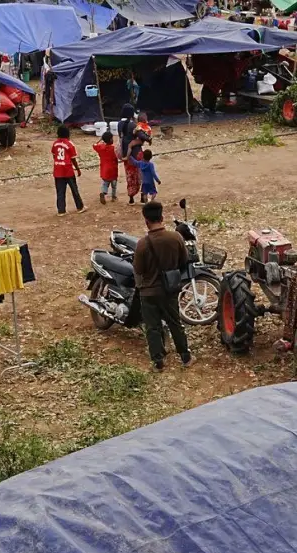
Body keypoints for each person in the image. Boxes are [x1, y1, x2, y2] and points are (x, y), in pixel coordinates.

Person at [132, 201, 193, 371]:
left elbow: (138, 269)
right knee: (175, 323)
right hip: (169, 290)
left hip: (148, 293)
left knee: (152, 327)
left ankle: (158, 363)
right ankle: (185, 357)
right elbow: (184, 261)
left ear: (146, 221)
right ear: (162, 217)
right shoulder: (176, 238)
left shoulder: (142, 244)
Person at [51, 124, 85, 215]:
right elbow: (73, 159)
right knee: (74, 189)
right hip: (68, 170)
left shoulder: (55, 144)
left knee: (60, 191)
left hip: (58, 170)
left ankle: (61, 211)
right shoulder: (69, 144)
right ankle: (80, 207)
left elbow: (54, 155)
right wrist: (77, 169)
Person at [92, 129, 119, 203]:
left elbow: (94, 145)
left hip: (104, 170)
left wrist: (100, 139)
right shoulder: (113, 149)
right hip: (113, 169)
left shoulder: (101, 147)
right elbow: (117, 156)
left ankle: (103, 193)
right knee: (114, 185)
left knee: (105, 184)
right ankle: (113, 197)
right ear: (110, 139)